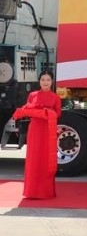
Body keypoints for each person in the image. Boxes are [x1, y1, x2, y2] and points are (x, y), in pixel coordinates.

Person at [12, 70, 61, 199]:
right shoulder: (32, 95)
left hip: (48, 130)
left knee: (46, 160)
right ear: (39, 81)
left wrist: (45, 112)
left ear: (52, 81)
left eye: (48, 80)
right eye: (43, 79)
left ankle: (45, 192)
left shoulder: (55, 97)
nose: (45, 82)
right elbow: (26, 109)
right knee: (34, 158)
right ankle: (31, 191)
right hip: (35, 129)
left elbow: (57, 114)